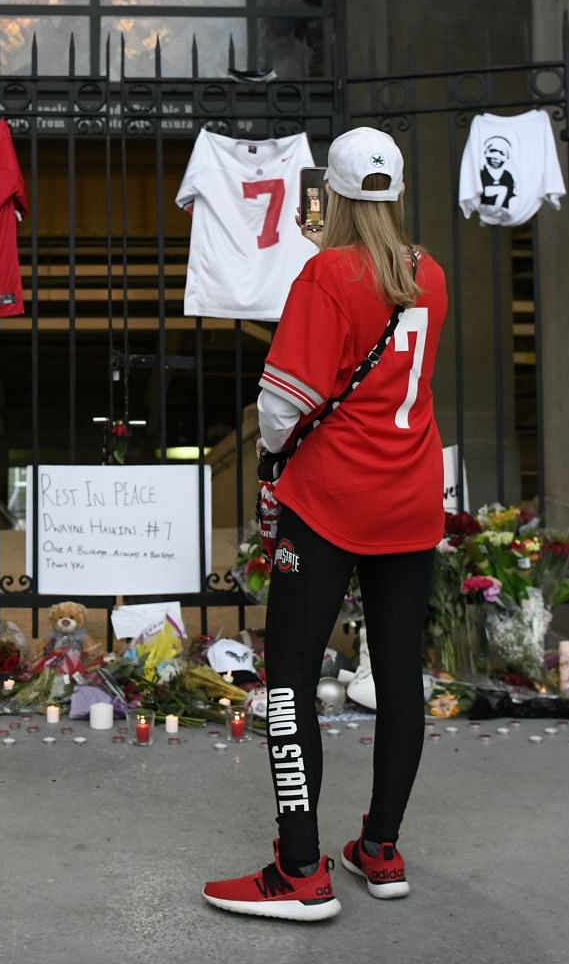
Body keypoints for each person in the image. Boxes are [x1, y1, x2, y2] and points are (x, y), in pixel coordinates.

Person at [202, 127, 449, 922]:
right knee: (400, 675)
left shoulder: (326, 275)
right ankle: (381, 848)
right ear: (397, 191)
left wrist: (283, 446)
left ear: (332, 196)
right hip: (410, 498)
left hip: (331, 504)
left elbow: (280, 410)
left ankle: (300, 865)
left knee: (290, 682)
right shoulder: (430, 275)